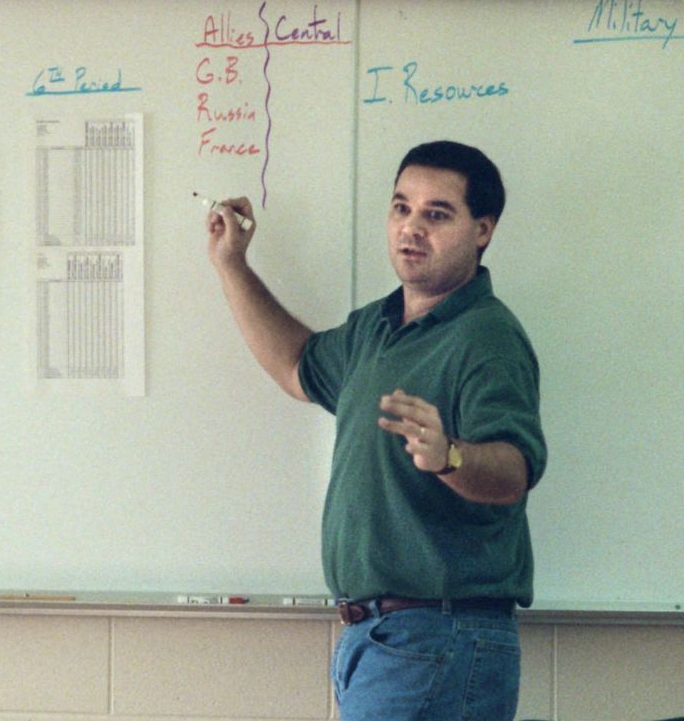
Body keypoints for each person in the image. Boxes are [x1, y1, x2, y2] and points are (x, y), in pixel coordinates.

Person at [206, 140, 547, 721]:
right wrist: (231, 265)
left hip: (437, 636)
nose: (412, 228)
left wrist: (451, 458)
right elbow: (296, 366)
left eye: (436, 214)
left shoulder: (485, 337)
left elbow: (514, 471)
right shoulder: (377, 328)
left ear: (482, 229)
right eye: (401, 208)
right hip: (383, 638)